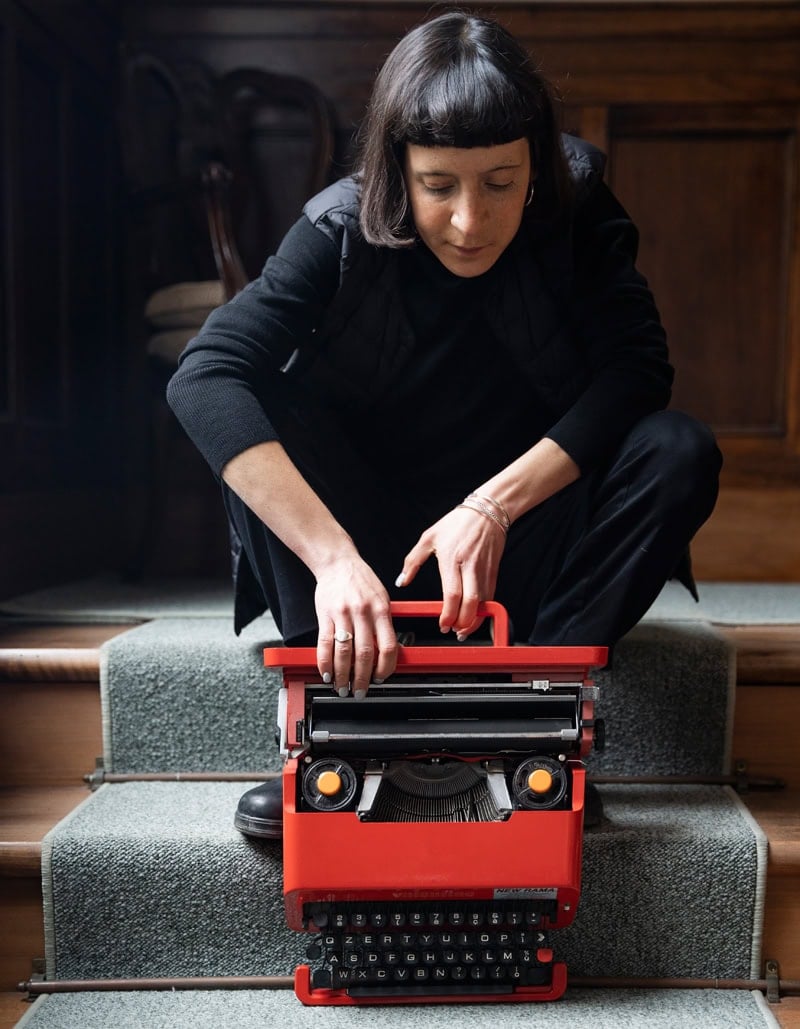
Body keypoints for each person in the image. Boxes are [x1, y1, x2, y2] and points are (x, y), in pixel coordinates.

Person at [166, 10, 722, 839]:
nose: (471, 221)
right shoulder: (337, 227)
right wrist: (333, 559)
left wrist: (491, 505)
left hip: (520, 558)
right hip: (363, 566)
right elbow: (204, 378)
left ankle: (535, 728)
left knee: (678, 449)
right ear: (398, 169)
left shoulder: (577, 210)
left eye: (501, 183)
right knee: (260, 405)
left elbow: (636, 371)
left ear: (536, 163)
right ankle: (341, 735)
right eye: (439, 187)